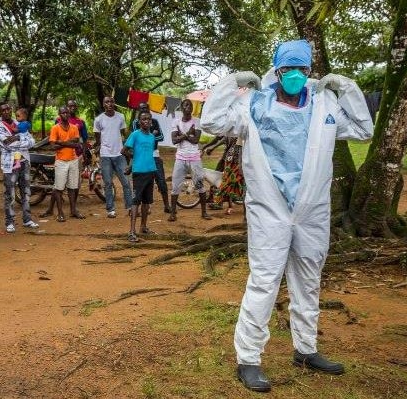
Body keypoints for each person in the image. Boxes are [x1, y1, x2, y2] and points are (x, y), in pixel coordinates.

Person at [201, 39, 373, 392]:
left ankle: (306, 350)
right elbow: (213, 121)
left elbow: (363, 129)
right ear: (277, 71)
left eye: (302, 70)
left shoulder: (324, 102)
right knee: (264, 280)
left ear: (310, 70)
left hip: (312, 209)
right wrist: (232, 82)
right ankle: (248, 359)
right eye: (287, 70)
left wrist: (348, 88)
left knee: (308, 278)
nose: (295, 76)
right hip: (270, 209)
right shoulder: (253, 103)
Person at [0, 102, 39, 233]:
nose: (6, 111)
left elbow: (32, 142)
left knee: (26, 192)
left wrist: (16, 137)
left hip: (24, 160)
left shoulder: (19, 122)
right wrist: (21, 140)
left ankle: (27, 219)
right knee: (10, 193)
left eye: (8, 108)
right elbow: (7, 144)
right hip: (9, 163)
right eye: (3, 110)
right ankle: (10, 221)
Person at [40, 99, 87, 218]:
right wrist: (67, 143)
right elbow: (53, 146)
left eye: (67, 112)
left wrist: (61, 142)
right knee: (58, 188)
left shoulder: (74, 127)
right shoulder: (55, 128)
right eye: (63, 113)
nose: (66, 114)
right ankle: (60, 213)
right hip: (61, 161)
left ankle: (73, 210)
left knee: (72, 187)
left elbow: (76, 142)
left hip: (73, 159)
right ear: (59, 115)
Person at [168, 99, 212, 222]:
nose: (189, 107)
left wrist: (181, 136)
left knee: (199, 185)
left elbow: (196, 140)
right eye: (186, 105)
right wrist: (188, 134)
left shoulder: (197, 121)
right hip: (180, 158)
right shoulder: (175, 122)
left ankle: (204, 212)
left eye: (190, 105)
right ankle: (172, 213)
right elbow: (174, 141)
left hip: (194, 158)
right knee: (176, 186)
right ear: (182, 108)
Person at [93, 96, 133, 218]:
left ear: (114, 103)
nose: (109, 104)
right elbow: (97, 137)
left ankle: (130, 208)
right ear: (104, 104)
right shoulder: (99, 119)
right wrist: (99, 148)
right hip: (105, 155)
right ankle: (110, 209)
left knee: (126, 181)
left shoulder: (120, 117)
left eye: (111, 101)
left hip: (119, 154)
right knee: (108, 183)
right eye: (107, 102)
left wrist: (126, 150)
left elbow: (123, 134)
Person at [122, 110, 157, 242]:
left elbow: (148, 153)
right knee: (136, 201)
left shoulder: (152, 137)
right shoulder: (135, 134)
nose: (146, 121)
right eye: (143, 119)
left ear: (151, 121)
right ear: (139, 122)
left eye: (148, 119)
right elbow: (123, 151)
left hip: (150, 170)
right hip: (139, 173)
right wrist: (133, 161)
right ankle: (131, 231)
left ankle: (143, 226)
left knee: (147, 202)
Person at [131, 102, 171, 213]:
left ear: (149, 109)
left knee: (161, 181)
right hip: (141, 156)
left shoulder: (155, 121)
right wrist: (152, 134)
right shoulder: (135, 122)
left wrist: (149, 135)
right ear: (139, 111)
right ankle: (137, 208)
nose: (144, 110)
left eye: (146, 108)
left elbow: (162, 137)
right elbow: (138, 137)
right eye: (141, 108)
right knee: (140, 183)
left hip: (155, 154)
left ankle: (167, 205)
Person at [208, 137, 246, 219]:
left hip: (237, 163)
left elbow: (241, 150)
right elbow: (222, 140)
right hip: (229, 162)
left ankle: (244, 209)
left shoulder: (241, 135)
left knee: (240, 184)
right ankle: (229, 206)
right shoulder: (231, 133)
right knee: (227, 183)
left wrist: (240, 165)